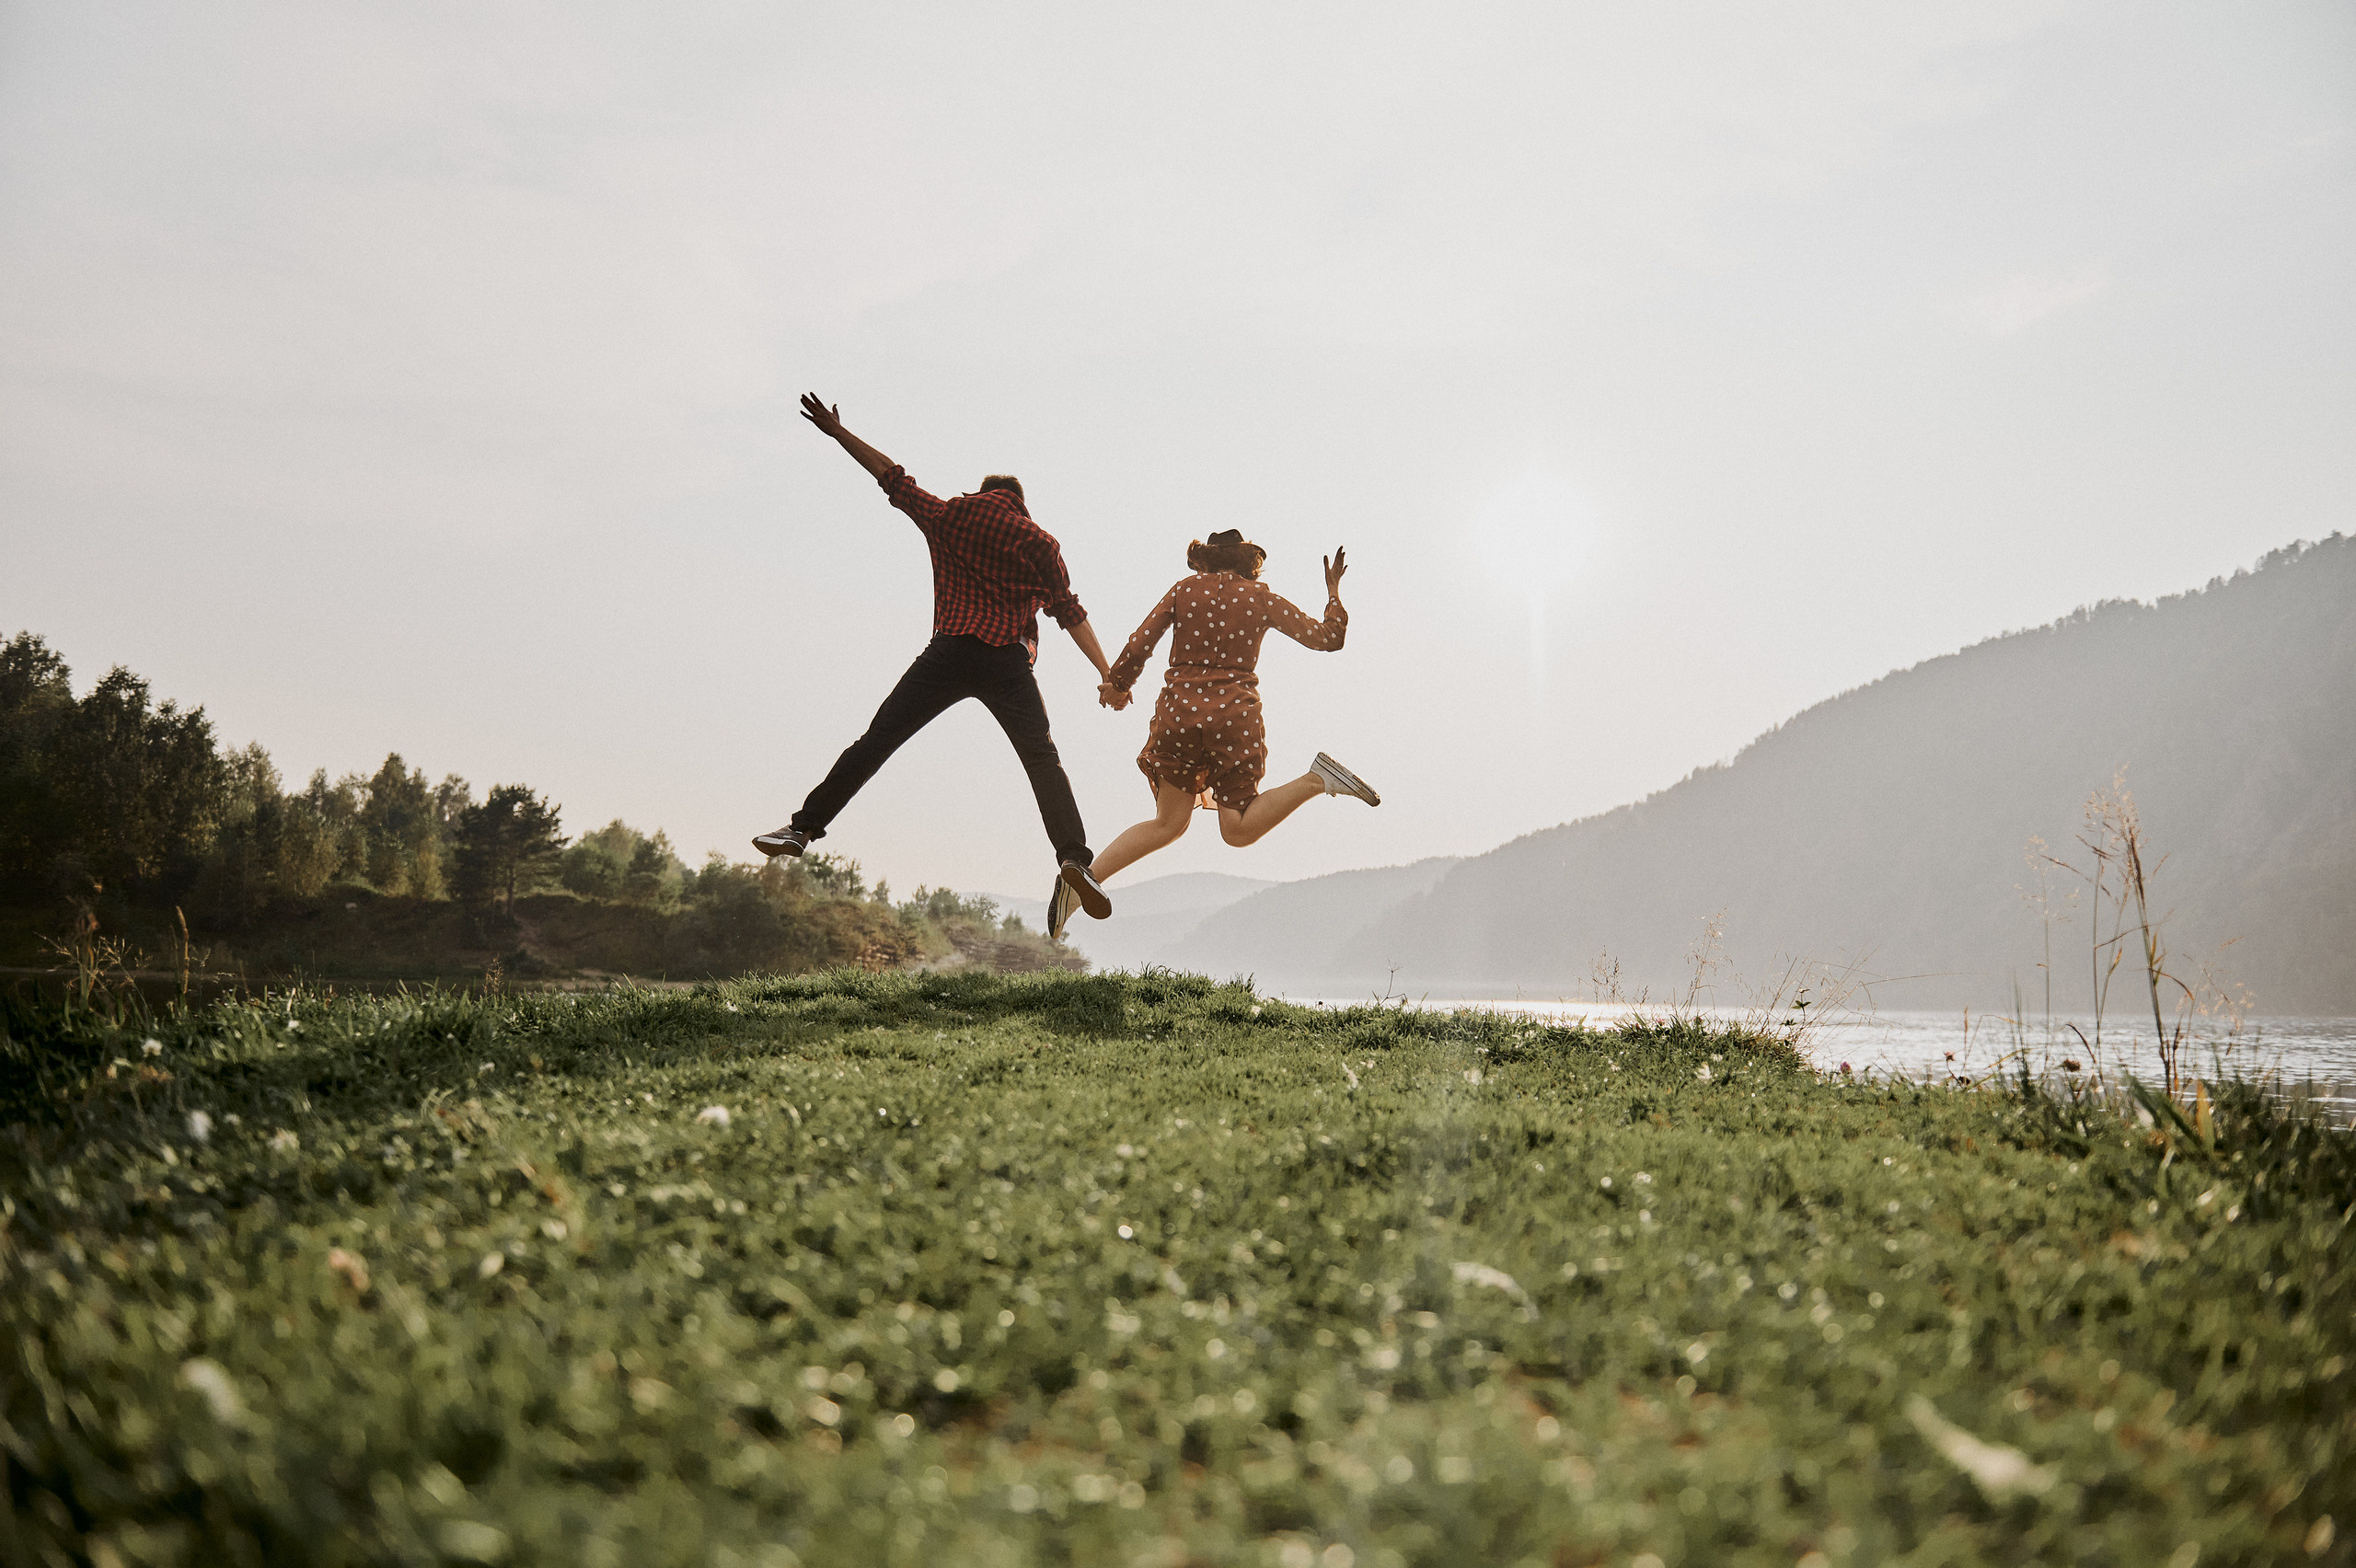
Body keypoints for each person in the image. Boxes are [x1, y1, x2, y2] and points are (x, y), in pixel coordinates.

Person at [754, 394, 1116, 927]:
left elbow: (893, 478)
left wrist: (838, 431)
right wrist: (1108, 675)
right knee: (1043, 760)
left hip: (947, 653)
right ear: (1020, 502)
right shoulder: (1040, 543)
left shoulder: (951, 516)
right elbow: (1070, 612)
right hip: (1007, 665)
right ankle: (1072, 858)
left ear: (986, 493)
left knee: (876, 742)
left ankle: (802, 828)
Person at [1066, 528, 1378, 928]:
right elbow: (1328, 639)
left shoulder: (1183, 591)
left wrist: (1119, 686)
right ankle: (1316, 780)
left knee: (1168, 823)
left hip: (1178, 717)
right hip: (1233, 719)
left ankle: (1082, 884)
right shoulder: (1259, 597)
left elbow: (1141, 643)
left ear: (1206, 560)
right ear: (1248, 561)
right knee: (1237, 830)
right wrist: (1333, 592)